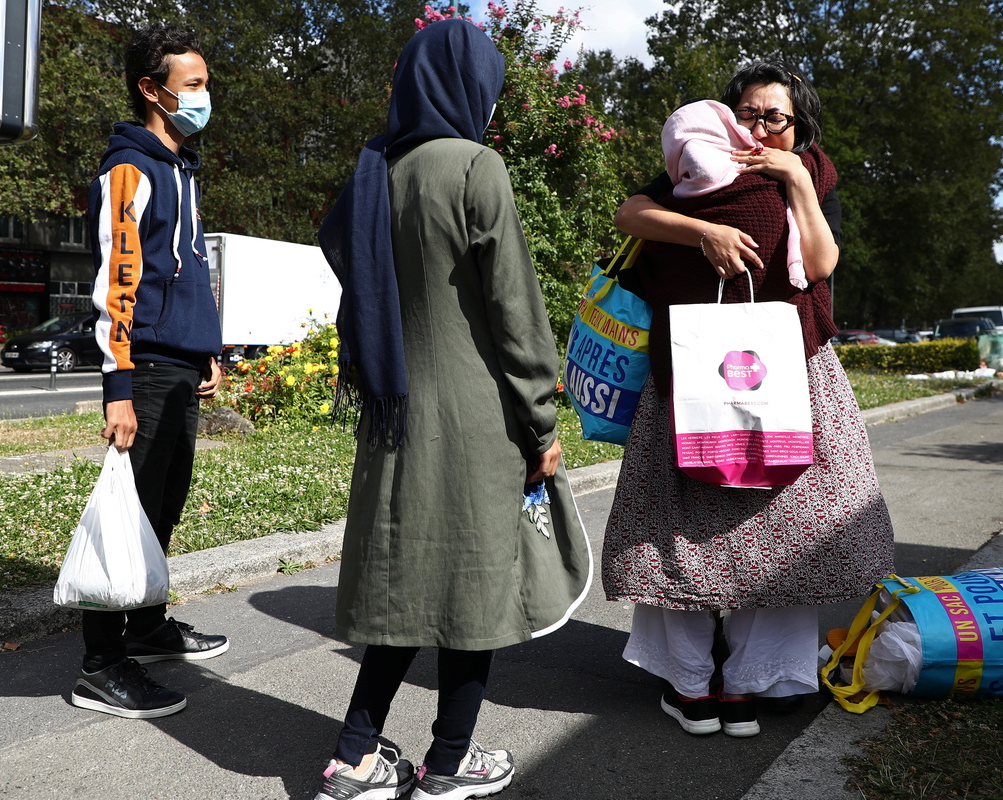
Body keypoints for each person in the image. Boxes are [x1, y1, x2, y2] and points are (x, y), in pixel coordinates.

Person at [313, 19, 592, 800]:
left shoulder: (375, 171)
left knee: (404, 585)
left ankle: (353, 759)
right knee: (474, 586)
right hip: (475, 418)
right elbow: (515, 311)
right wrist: (542, 423)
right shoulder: (475, 166)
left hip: (392, 415)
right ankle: (447, 763)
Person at [602, 61, 895, 738]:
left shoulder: (812, 175)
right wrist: (702, 231)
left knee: (789, 527)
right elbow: (630, 214)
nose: (760, 129)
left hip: (792, 372)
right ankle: (689, 681)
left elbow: (819, 266)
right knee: (678, 526)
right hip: (691, 371)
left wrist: (796, 182)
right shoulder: (693, 169)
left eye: (775, 118)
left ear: (799, 126)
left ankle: (756, 678)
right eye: (748, 114)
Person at [73, 23, 227, 719]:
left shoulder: (180, 166)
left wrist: (205, 350)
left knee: (162, 507)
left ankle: (147, 627)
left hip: (179, 363)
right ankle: (102, 665)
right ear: (151, 89)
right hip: (145, 368)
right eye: (192, 84)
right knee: (126, 513)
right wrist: (118, 389)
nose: (203, 96)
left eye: (204, 83)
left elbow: (184, 269)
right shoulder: (130, 169)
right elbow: (117, 283)